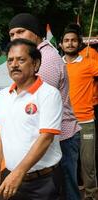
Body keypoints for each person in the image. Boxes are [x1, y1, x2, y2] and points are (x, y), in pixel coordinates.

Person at [8, 13, 81, 200]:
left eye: (21, 32)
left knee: (66, 191)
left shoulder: (45, 60)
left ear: (35, 33)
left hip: (60, 137)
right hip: (56, 137)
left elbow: (32, 103)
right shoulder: (39, 55)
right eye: (12, 35)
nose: (16, 38)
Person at [0, 38, 63, 200]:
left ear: (35, 64)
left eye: (21, 60)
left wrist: (18, 173)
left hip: (42, 182)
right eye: (10, 60)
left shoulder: (48, 94)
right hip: (11, 177)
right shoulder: (3, 96)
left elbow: (46, 138)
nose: (14, 64)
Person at [60, 23, 98, 199]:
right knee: (67, 165)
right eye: (66, 40)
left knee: (88, 164)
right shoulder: (56, 65)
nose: (70, 43)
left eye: (74, 40)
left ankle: (91, 195)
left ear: (79, 43)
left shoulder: (89, 62)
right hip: (64, 124)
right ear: (61, 44)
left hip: (86, 122)